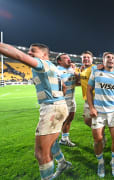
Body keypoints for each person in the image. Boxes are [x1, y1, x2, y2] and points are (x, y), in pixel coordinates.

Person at [0, 43, 71, 179]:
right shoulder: (53, 67)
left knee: (41, 153)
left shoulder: (42, 63)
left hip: (52, 109)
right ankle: (62, 163)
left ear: (44, 55)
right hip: (58, 106)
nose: (30, 53)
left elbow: (19, 55)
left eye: (33, 51)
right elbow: (63, 86)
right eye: (29, 51)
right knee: (52, 142)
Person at [86, 52, 114, 177]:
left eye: (113, 58)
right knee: (98, 140)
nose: (111, 59)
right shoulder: (95, 71)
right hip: (98, 112)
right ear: (103, 60)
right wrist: (91, 107)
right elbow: (88, 89)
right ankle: (101, 163)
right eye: (108, 57)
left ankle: (113, 162)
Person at [56, 53, 78, 146]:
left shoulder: (71, 70)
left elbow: (77, 82)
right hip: (62, 100)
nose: (68, 59)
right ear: (59, 61)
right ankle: (57, 140)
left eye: (68, 57)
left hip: (72, 99)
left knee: (69, 119)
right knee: (62, 121)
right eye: (65, 58)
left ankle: (64, 139)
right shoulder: (57, 71)